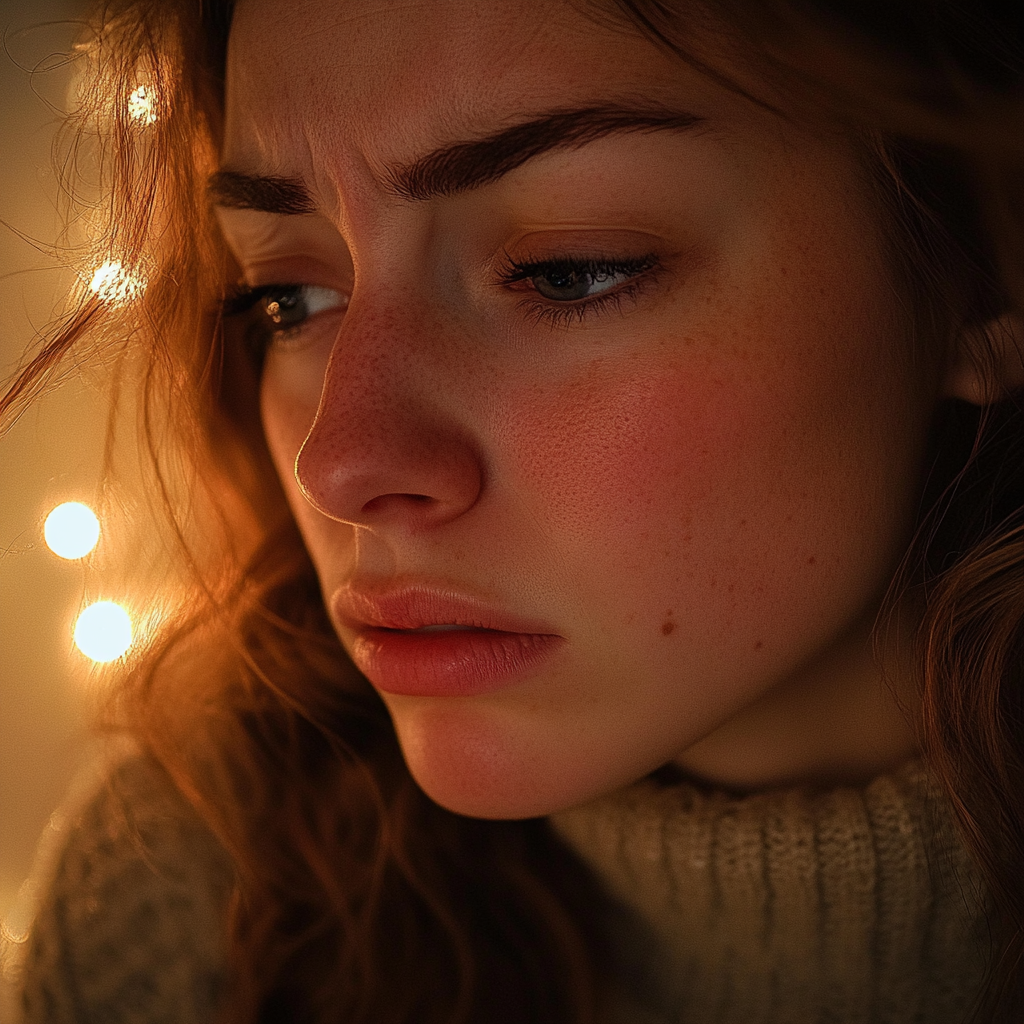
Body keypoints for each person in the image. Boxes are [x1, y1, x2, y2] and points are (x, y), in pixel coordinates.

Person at [2, 0, 1022, 1021]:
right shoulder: (185, 898)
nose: (340, 463)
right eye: (290, 296)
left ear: (979, 268)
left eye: (565, 270)